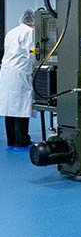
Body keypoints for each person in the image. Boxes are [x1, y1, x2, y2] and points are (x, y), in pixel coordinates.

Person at [0, 9, 36, 152]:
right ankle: (22, 142)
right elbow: (31, 51)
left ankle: (11, 141)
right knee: (21, 108)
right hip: (20, 73)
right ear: (34, 22)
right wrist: (38, 60)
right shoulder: (29, 32)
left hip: (7, 72)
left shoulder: (12, 31)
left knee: (10, 107)